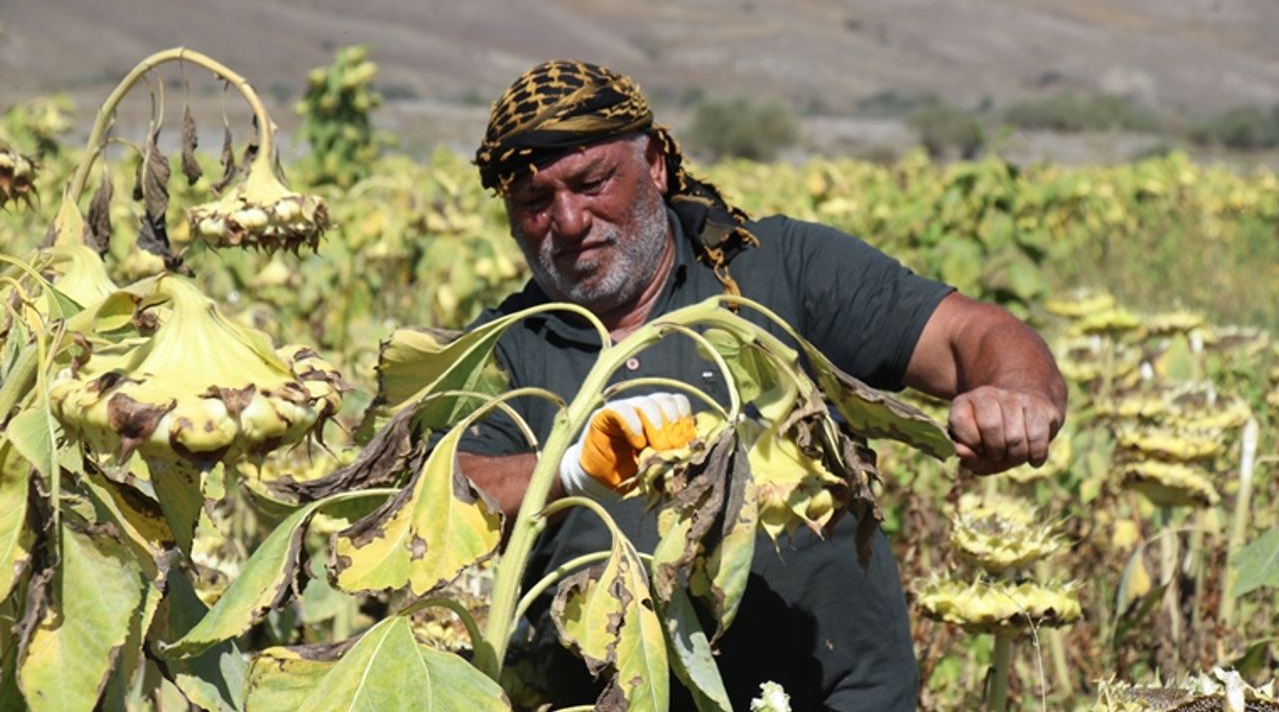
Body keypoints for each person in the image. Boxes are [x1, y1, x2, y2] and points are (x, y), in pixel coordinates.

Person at [456, 60, 1067, 710]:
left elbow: (970, 335)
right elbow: (446, 489)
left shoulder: (777, 271)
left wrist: (1016, 392)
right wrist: (574, 469)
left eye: (592, 182)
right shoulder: (505, 346)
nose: (570, 220)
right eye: (535, 203)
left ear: (657, 164)